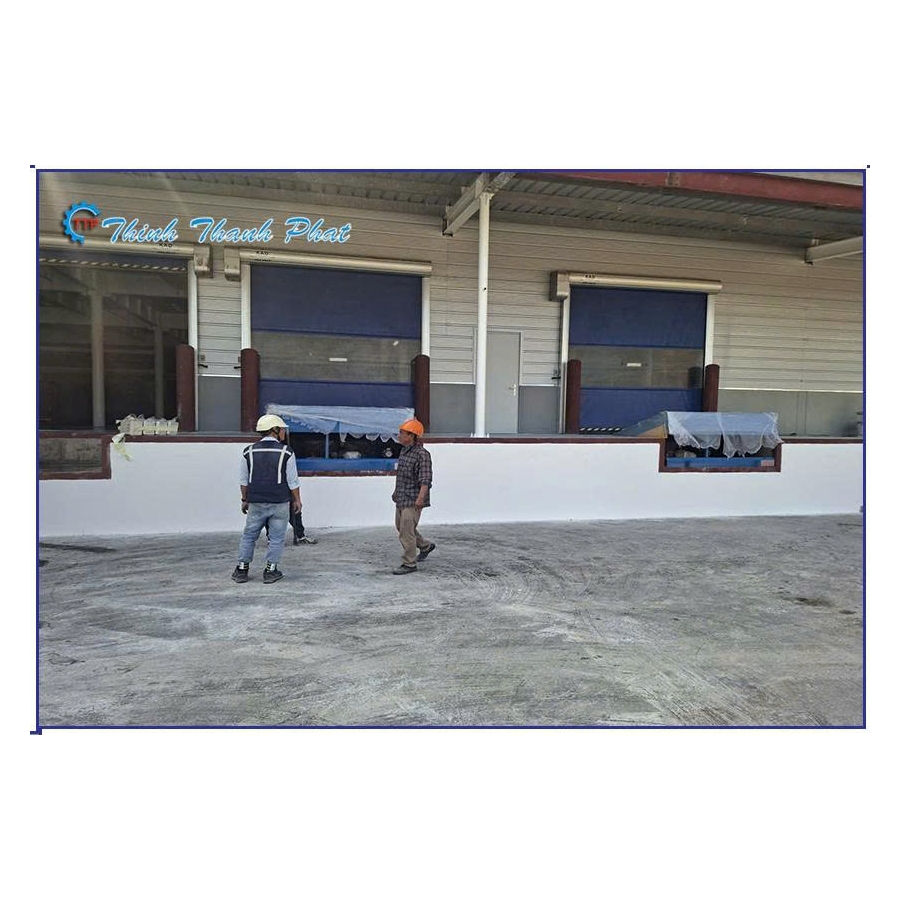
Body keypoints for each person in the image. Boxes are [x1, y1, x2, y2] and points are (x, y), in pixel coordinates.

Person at [232, 414, 301, 584]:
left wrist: (244, 499)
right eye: (282, 429)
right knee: (276, 538)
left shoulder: (248, 452)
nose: (284, 432)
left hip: (256, 501)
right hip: (280, 501)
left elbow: (243, 480)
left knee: (249, 535)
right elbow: (292, 481)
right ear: (274, 430)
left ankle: (242, 569)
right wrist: (297, 500)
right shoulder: (287, 452)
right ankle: (270, 571)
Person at [391, 417, 435, 575]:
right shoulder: (404, 451)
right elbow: (402, 475)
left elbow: (425, 480)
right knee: (401, 527)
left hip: (414, 499)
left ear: (411, 436)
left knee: (406, 532)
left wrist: (420, 499)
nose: (399, 436)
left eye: (402, 433)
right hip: (402, 497)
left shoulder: (422, 455)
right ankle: (425, 546)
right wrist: (396, 492)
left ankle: (409, 563)